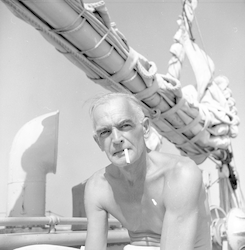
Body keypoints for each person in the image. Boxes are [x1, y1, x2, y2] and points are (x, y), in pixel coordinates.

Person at [84, 92, 211, 250]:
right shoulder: (97, 187)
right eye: (105, 132)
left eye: (125, 126)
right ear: (98, 142)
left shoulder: (180, 174)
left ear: (145, 127)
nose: (116, 139)